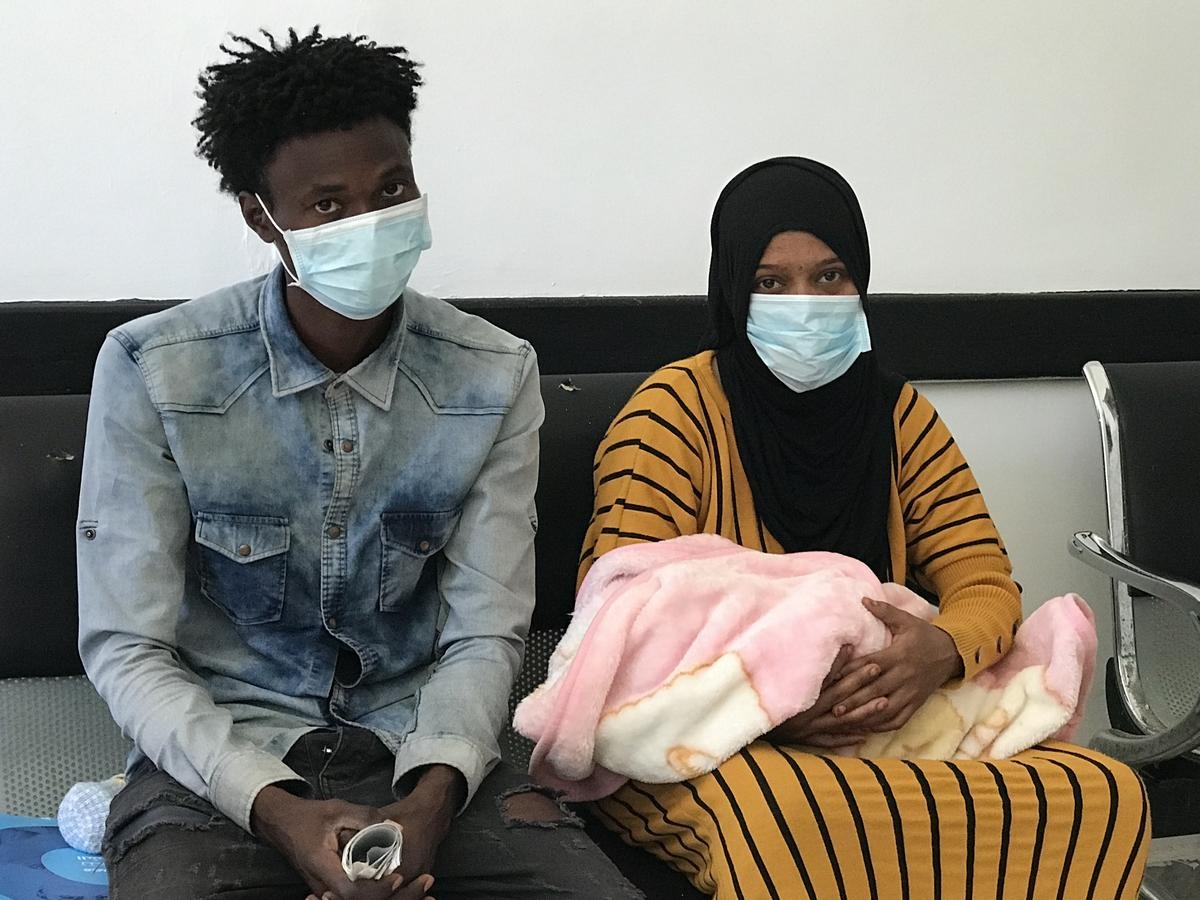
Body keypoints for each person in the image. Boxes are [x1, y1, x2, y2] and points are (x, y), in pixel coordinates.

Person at [76, 27, 641, 900]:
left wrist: (432, 802)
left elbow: (484, 631)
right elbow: (128, 645)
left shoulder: (494, 375)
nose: (370, 223)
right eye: (328, 205)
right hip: (221, 765)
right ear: (261, 218)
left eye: (391, 189)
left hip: (424, 751)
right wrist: (276, 809)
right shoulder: (155, 370)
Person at [579, 157, 1149, 898]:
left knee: (1100, 794)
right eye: (771, 283)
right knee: (791, 819)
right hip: (702, 739)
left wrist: (940, 650)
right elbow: (622, 619)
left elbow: (983, 580)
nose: (805, 303)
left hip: (880, 720)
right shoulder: (672, 414)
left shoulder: (899, 417)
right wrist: (765, 701)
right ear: (731, 289)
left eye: (830, 275)